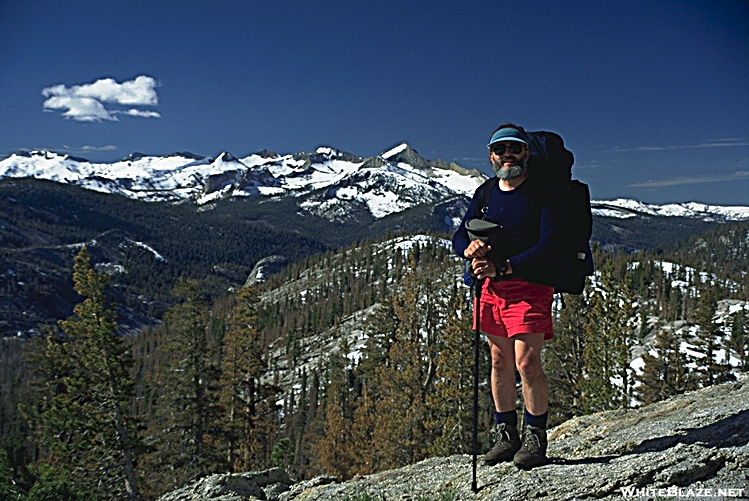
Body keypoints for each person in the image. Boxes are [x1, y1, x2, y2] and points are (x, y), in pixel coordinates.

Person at [452, 123, 565, 469]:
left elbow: (550, 245)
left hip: (531, 286)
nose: (507, 156)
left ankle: (535, 436)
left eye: (514, 149)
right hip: (492, 290)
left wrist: (505, 268)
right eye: (500, 150)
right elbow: (459, 235)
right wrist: (468, 249)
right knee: (499, 361)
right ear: (491, 156)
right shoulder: (486, 193)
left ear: (526, 152)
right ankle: (506, 434)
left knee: (526, 362)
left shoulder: (543, 192)